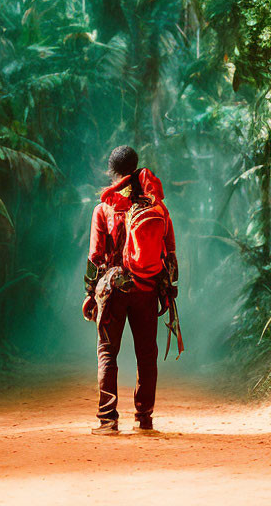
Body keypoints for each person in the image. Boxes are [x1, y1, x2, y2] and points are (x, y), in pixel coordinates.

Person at [82, 145, 178, 435]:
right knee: (147, 354)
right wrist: (167, 291)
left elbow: (95, 258)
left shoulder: (104, 208)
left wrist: (89, 294)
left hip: (112, 290)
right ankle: (144, 417)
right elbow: (170, 255)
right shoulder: (157, 206)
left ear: (113, 172)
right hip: (146, 288)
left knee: (107, 352)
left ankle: (108, 419)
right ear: (135, 169)